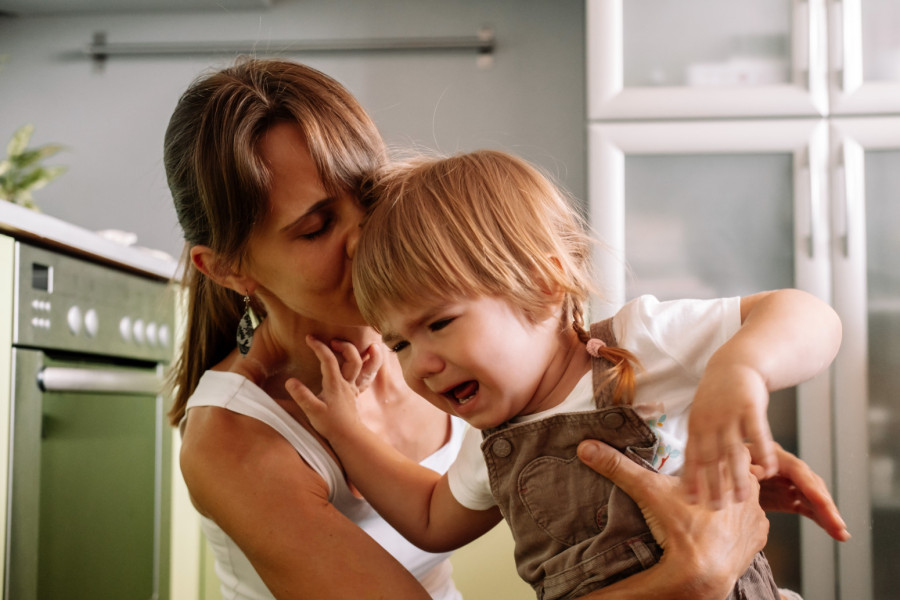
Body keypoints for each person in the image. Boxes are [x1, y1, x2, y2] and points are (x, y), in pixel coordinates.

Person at [165, 58, 845, 600]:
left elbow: (791, 318)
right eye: (315, 227)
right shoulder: (238, 440)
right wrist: (686, 579)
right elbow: (434, 518)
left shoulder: (470, 345)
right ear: (226, 269)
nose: (363, 234)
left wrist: (700, 433)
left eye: (366, 196)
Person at [286, 150, 845, 599]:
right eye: (399, 343)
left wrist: (740, 366)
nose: (421, 364)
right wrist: (345, 431)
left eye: (441, 323)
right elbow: (431, 519)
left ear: (544, 283)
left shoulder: (639, 341)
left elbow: (810, 316)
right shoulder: (492, 448)